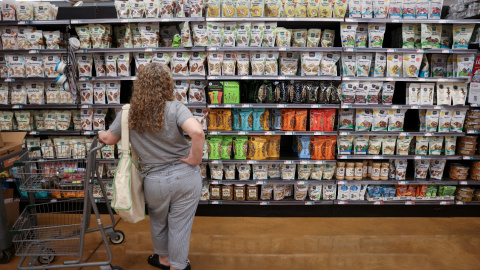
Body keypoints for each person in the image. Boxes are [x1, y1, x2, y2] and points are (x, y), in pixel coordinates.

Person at [98, 62, 205, 270]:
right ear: (167, 84)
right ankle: (178, 265)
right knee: (179, 225)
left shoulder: (128, 113)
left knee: (158, 220)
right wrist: (195, 159)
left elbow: (110, 139)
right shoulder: (175, 108)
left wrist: (100, 134)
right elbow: (198, 133)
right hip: (185, 176)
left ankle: (163, 259)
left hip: (154, 180)